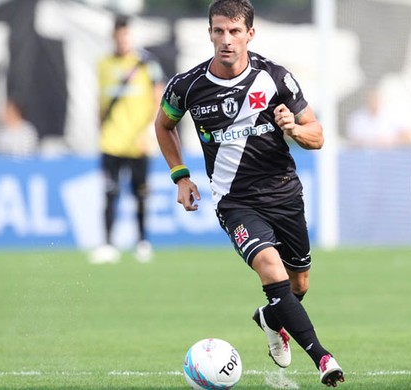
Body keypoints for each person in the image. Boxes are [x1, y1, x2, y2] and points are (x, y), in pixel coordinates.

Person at [154, 0, 345, 387]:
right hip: (234, 202)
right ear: (209, 33)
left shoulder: (274, 78)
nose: (227, 40)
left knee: (298, 285)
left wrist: (293, 129)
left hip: (283, 193)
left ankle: (271, 318)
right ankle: (323, 358)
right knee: (271, 269)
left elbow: (318, 136)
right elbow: (163, 125)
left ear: (250, 34)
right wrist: (181, 176)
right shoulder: (188, 86)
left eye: (235, 31)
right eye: (219, 31)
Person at [90, 14, 165, 264]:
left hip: (138, 142)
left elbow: (158, 97)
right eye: (118, 35)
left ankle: (142, 241)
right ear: (113, 37)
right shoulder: (103, 64)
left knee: (140, 194)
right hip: (111, 141)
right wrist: (99, 128)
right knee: (109, 193)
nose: (122, 40)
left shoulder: (146, 64)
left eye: (126, 35)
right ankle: (108, 243)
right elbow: (100, 102)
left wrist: (149, 131)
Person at [346, 87, 411, 148]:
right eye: (371, 99)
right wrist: (374, 143)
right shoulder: (358, 118)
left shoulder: (394, 114)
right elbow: (353, 142)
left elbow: (408, 137)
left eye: (376, 99)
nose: (373, 102)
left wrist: (390, 142)